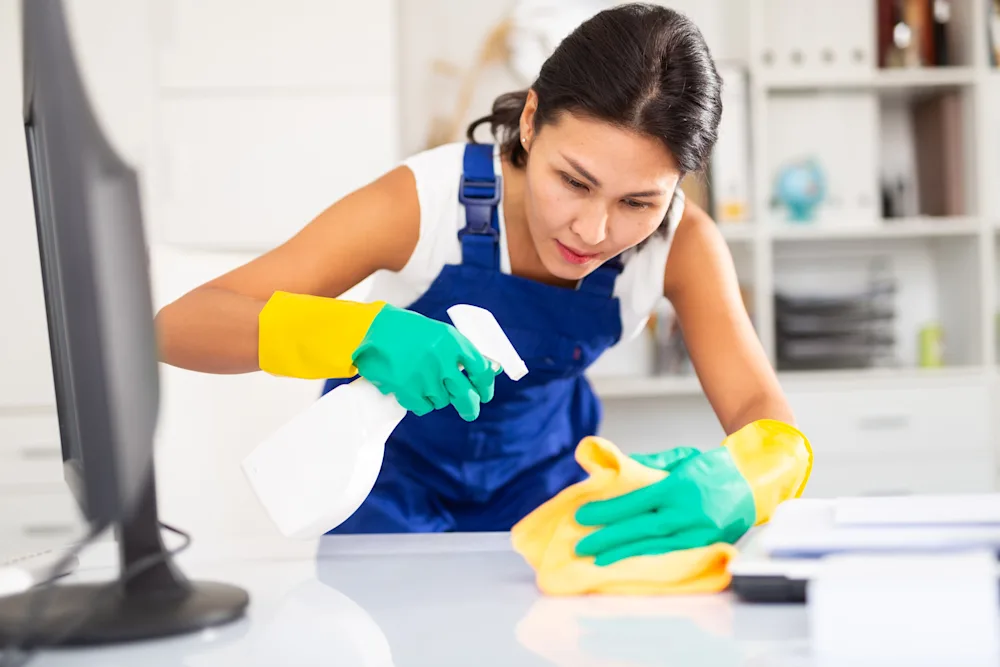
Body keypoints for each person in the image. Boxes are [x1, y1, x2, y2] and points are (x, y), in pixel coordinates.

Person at [155, 3, 812, 563]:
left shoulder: (683, 244)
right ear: (530, 122)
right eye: (574, 181)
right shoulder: (424, 202)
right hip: (390, 489)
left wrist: (749, 476)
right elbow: (178, 325)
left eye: (637, 203)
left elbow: (762, 407)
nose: (592, 228)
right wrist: (360, 332)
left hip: (544, 488)